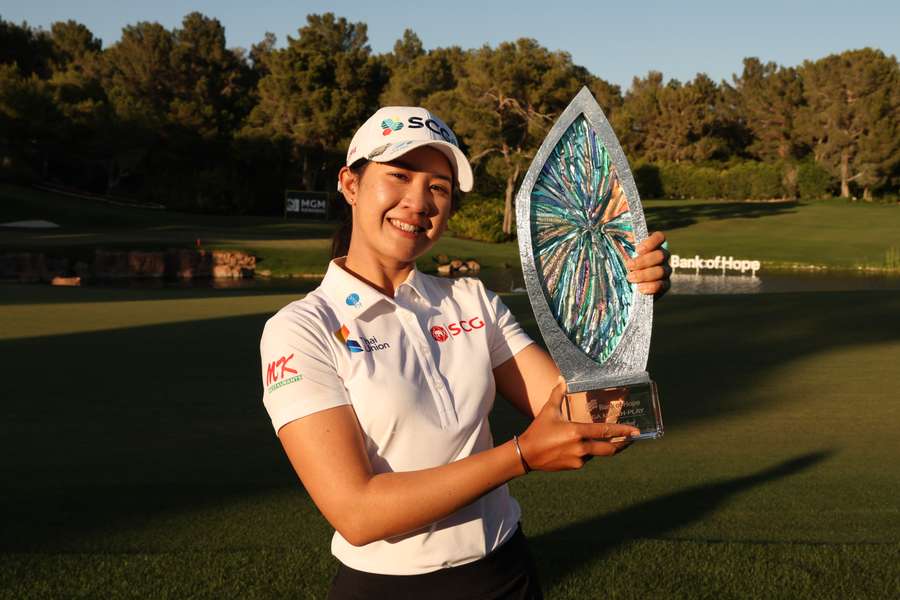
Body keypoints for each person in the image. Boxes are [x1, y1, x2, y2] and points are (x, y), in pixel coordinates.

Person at [260, 106, 671, 599]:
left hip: (506, 572)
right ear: (350, 184)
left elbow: (585, 413)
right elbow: (358, 513)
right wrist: (519, 456)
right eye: (399, 175)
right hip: (389, 588)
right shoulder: (301, 329)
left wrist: (624, 301)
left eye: (438, 187)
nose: (418, 201)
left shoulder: (471, 299)